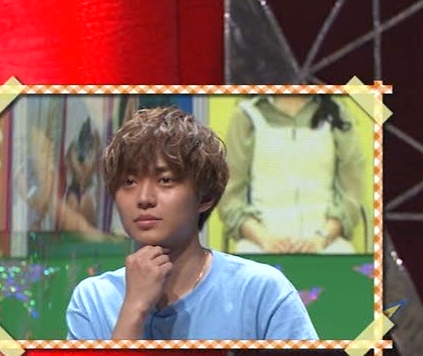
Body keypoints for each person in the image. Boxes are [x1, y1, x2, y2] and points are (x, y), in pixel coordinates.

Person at [66, 107, 317, 340]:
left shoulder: (260, 291)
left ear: (205, 197)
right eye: (129, 182)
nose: (144, 198)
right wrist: (134, 308)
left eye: (165, 180)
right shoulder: (93, 300)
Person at [219, 94, 365, 254]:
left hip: (326, 240)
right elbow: (230, 197)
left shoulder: (337, 113)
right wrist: (265, 239)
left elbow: (351, 194)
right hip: (259, 241)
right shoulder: (246, 114)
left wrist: (321, 238)